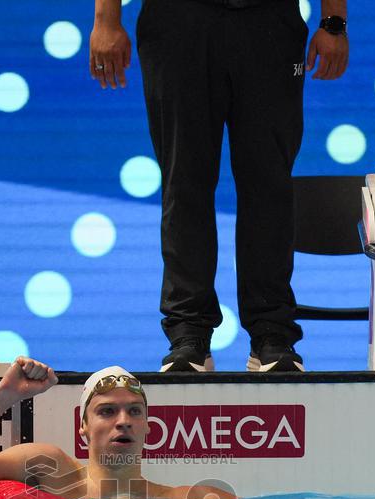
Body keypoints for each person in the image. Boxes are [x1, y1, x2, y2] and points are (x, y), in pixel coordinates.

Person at [89, 0, 349, 373]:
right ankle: (188, 335)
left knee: (269, 185)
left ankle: (272, 334)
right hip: (176, 21)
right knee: (184, 185)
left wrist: (334, 22)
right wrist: (106, 19)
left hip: (269, 23)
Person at [0, 357, 237, 499]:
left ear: (147, 428)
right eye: (107, 411)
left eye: (134, 411)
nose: (123, 420)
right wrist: (4, 396)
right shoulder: (49, 470)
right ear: (83, 427)